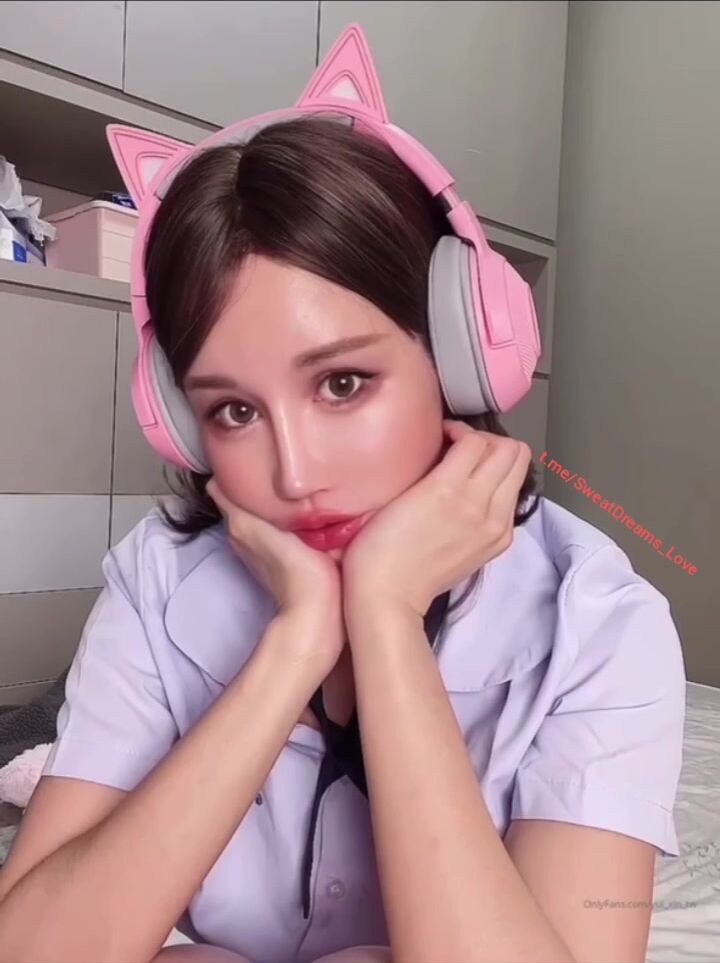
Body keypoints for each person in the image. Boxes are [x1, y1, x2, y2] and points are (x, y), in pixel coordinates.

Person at [0, 24, 685, 963]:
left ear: (459, 358)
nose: (295, 473)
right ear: (183, 423)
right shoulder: (156, 580)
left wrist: (386, 616)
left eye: (343, 383)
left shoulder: (599, 621)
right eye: (235, 410)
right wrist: (295, 646)